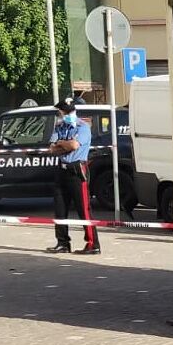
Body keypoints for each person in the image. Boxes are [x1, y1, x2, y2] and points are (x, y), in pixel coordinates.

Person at [45, 98, 100, 255]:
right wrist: (65, 143)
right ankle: (62, 243)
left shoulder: (83, 127)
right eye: (62, 112)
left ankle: (92, 244)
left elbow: (75, 146)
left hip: (77, 170)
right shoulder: (59, 126)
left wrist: (62, 144)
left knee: (84, 209)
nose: (63, 114)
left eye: (65, 112)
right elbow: (52, 149)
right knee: (60, 208)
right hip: (61, 169)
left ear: (72, 112)